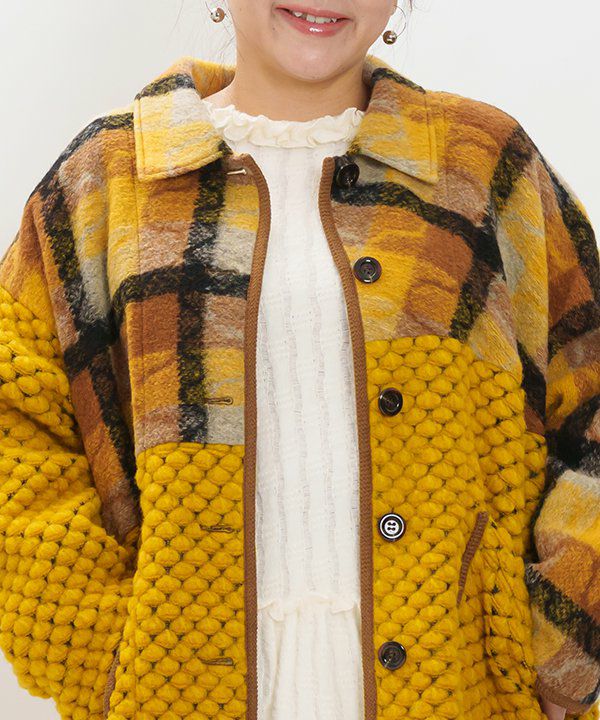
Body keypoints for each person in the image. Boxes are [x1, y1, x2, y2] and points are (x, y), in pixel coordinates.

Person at [0, 2, 598, 720]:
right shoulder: (106, 181)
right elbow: (15, 429)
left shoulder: (480, 168)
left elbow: (591, 397)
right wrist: (108, 660)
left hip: (458, 696)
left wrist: (556, 652)